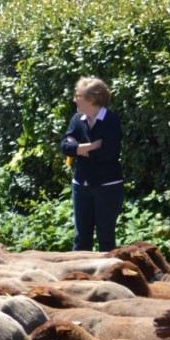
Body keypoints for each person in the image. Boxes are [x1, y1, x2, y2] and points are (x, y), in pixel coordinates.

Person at [59, 76, 122, 252]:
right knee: (81, 239)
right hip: (81, 184)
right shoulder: (77, 119)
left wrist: (78, 148)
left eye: (78, 96)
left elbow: (107, 153)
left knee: (106, 238)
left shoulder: (111, 120)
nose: (74, 99)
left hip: (108, 186)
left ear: (92, 99)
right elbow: (65, 146)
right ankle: (78, 277)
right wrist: (92, 146)